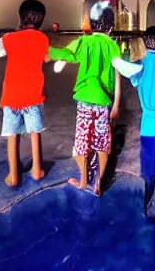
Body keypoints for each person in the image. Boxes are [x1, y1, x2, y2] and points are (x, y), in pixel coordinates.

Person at [48, 10, 121, 195]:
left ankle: (83, 181)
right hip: (103, 100)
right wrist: (117, 103)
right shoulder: (113, 45)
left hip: (84, 99)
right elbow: (118, 73)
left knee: (82, 140)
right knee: (102, 141)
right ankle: (99, 182)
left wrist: (45, 48)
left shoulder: (83, 41)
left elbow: (64, 53)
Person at [0, 0, 49, 187]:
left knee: (13, 135)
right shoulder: (42, 39)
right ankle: (36, 171)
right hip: (34, 95)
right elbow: (47, 57)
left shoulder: (7, 39)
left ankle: (13, 175)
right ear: (41, 19)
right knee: (35, 133)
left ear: (21, 17)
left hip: (11, 96)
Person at [112, 26, 155, 217]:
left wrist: (114, 50)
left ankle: (148, 200)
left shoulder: (140, 65)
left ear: (144, 42)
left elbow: (118, 63)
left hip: (150, 125)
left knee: (149, 163)